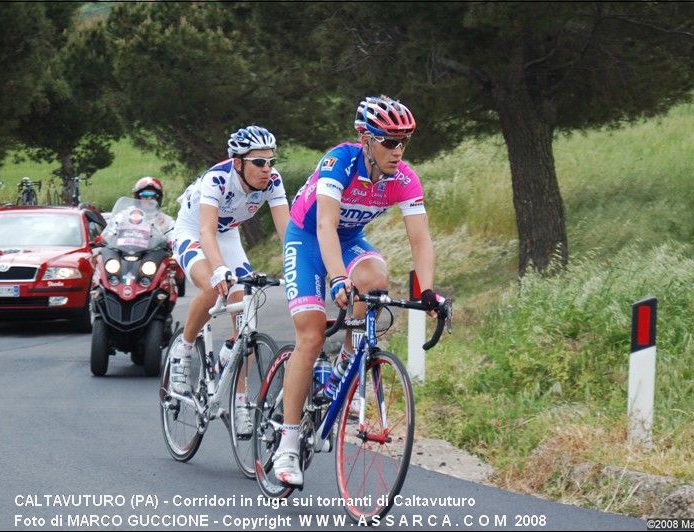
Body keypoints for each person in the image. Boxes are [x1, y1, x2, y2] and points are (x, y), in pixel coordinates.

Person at [273, 95, 443, 486]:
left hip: (348, 239)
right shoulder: (339, 162)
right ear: (365, 138)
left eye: (404, 142)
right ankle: (288, 442)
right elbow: (324, 226)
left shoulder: (404, 178)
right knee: (312, 335)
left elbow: (420, 240)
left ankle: (344, 366)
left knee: (376, 279)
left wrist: (428, 291)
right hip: (308, 238)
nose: (397, 151)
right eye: (388, 141)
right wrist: (336, 278)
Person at [167, 125, 290, 438]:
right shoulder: (217, 179)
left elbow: (287, 233)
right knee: (212, 286)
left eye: (271, 161)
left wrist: (297, 266)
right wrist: (219, 268)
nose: (267, 169)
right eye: (259, 163)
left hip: (228, 235)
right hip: (194, 232)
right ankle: (183, 350)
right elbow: (206, 232)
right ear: (239, 162)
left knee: (246, 314)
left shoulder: (272, 182)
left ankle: (238, 400)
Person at [98, 177, 174, 243]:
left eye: (153, 196)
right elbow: (109, 233)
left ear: (158, 199)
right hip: (124, 254)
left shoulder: (166, 221)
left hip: (154, 256)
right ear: (137, 197)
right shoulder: (123, 216)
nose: (149, 199)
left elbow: (174, 238)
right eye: (145, 196)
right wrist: (105, 238)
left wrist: (171, 242)